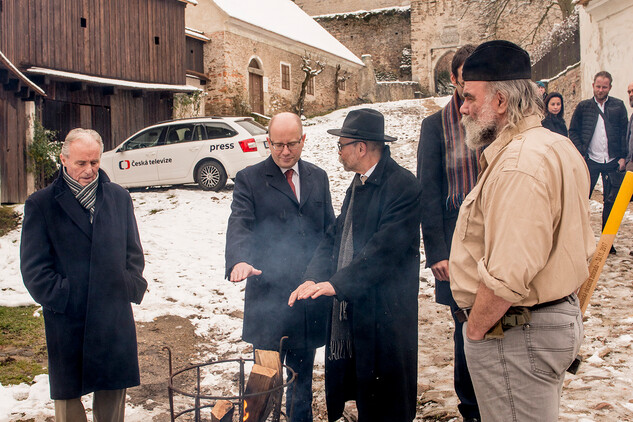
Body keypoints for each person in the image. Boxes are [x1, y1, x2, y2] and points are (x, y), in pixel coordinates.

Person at [449, 40, 596, 422]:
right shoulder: (555, 145)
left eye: (469, 97)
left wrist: (475, 333)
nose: (462, 108)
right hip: (540, 324)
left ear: (500, 100)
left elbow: (507, 277)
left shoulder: (519, 163)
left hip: (516, 332)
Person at [288, 108, 421, 422]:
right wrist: (313, 276)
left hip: (388, 312)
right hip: (358, 308)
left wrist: (337, 284)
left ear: (361, 148)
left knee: (388, 396)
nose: (339, 153)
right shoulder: (359, 183)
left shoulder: (402, 185)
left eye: (342, 145)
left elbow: (384, 250)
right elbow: (335, 235)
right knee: (364, 390)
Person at [20, 128, 147, 422]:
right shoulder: (42, 204)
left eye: (94, 162)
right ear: (64, 159)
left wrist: (127, 284)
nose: (89, 170)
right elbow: (34, 268)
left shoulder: (118, 197)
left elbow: (134, 254)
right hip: (68, 316)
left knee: (113, 387)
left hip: (113, 312)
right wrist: (65, 296)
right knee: (68, 395)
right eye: (81, 163)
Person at [225, 112, 335, 422]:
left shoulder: (318, 177)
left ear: (303, 140)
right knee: (264, 383)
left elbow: (329, 231)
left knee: (302, 383)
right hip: (269, 300)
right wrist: (239, 258)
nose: (284, 152)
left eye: (291, 144)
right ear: (267, 142)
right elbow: (240, 223)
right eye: (277, 145)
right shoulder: (250, 178)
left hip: (307, 300)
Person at [417, 44, 480, 422]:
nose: (468, 82)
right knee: (465, 328)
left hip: (496, 237)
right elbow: (428, 190)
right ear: (453, 78)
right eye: (464, 75)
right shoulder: (435, 126)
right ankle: (470, 407)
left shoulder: (494, 116)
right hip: (455, 242)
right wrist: (437, 251)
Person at [569, 71, 629, 253]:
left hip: (612, 161)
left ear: (610, 87)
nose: (601, 90)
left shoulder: (618, 106)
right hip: (591, 160)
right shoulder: (583, 107)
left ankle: (607, 243)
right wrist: (582, 153)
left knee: (610, 204)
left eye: (604, 87)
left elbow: (624, 132)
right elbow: (573, 131)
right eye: (598, 86)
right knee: (581, 200)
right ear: (593, 85)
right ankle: (577, 241)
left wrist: (623, 157)